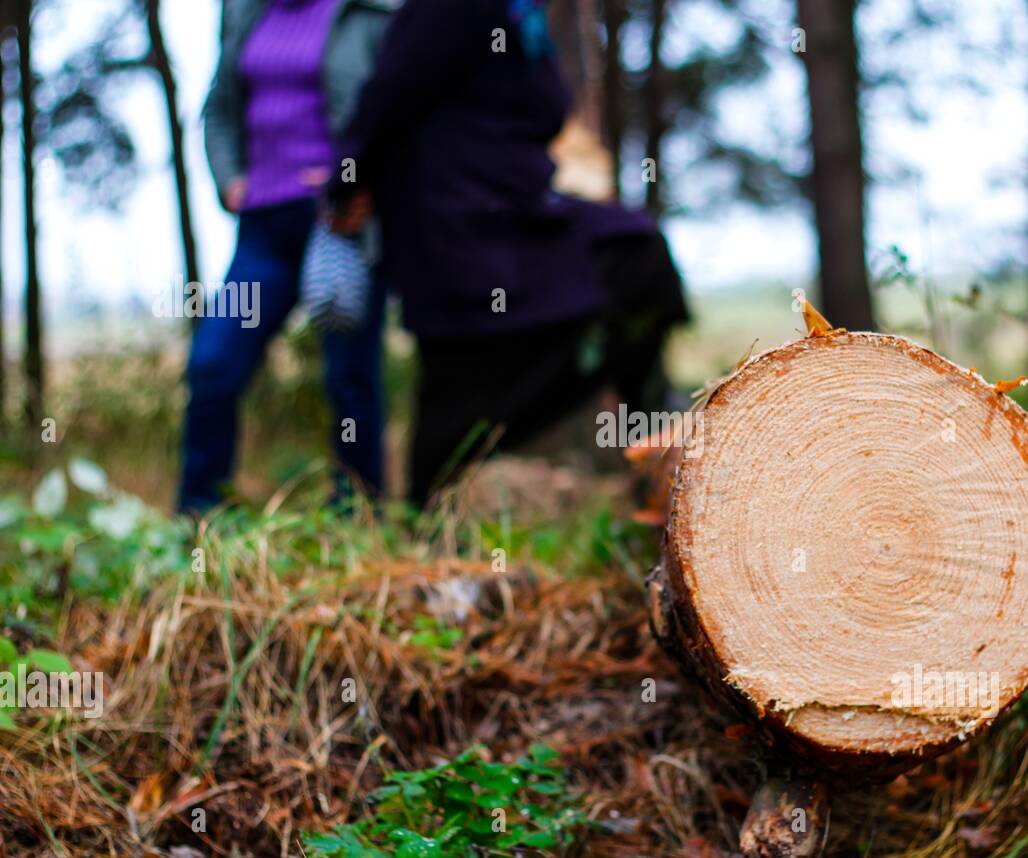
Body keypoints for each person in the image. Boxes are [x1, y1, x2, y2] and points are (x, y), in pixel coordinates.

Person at [329, 0, 689, 507]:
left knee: (633, 256)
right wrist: (346, 184)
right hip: (461, 230)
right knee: (459, 401)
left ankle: (645, 440)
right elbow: (388, 95)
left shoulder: (523, 21)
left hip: (514, 214)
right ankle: (429, 510)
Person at [180, 0, 400, 513]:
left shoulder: (366, 13)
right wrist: (229, 178)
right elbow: (218, 108)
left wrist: (363, 185)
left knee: (351, 376)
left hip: (338, 222)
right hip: (262, 226)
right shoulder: (244, 13)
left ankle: (358, 513)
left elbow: (393, 110)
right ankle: (199, 516)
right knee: (213, 363)